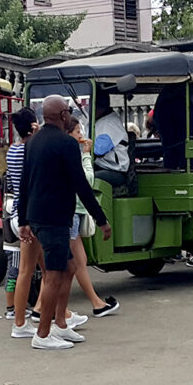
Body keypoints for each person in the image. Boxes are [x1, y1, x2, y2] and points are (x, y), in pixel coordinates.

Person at [18, 95, 112, 350]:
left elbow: (25, 182)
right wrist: (101, 219)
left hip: (37, 216)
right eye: (68, 112)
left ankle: (60, 323)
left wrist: (23, 218)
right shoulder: (67, 144)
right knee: (54, 274)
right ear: (61, 115)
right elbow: (81, 185)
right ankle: (43, 333)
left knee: (69, 268)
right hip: (55, 217)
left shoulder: (33, 141)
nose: (70, 115)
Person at [66, 117, 120, 317]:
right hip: (72, 211)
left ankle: (96, 303)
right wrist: (87, 156)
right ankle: (48, 309)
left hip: (76, 211)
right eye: (78, 131)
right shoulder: (74, 154)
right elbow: (88, 180)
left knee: (79, 261)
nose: (81, 135)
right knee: (67, 265)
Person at [4, 108, 39, 321]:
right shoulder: (30, 150)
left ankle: (14, 309)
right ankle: (19, 311)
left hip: (15, 212)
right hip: (28, 214)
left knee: (17, 266)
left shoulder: (13, 150)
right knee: (24, 269)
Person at [93, 89, 129, 187]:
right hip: (101, 167)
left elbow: (99, 150)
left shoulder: (110, 123)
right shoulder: (99, 121)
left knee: (85, 178)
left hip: (114, 171)